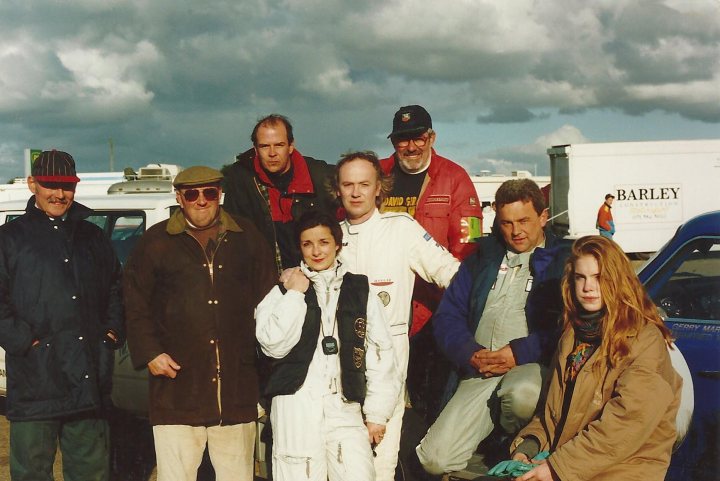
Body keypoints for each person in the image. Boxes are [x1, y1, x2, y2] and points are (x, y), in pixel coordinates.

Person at [123, 166, 276, 481]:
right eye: (192, 193)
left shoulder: (246, 237)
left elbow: (269, 302)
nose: (202, 200)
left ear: (219, 194)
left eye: (209, 192)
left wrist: (261, 362)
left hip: (236, 388)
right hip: (177, 390)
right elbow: (134, 304)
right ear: (179, 197)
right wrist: (150, 353)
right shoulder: (156, 242)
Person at [416, 179, 571, 477]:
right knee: (434, 459)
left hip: (534, 368)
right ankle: (485, 443)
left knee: (521, 393)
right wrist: (470, 353)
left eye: (524, 220)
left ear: (542, 216)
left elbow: (569, 325)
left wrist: (520, 352)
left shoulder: (563, 260)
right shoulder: (482, 258)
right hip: (481, 370)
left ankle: (519, 446)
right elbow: (448, 316)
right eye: (507, 223)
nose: (516, 231)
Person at [508, 235, 682, 481]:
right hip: (573, 462)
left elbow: (626, 426)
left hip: (624, 468)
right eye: (581, 277)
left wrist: (555, 468)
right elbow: (552, 413)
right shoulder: (571, 336)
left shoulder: (645, 340)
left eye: (599, 278)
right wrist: (530, 446)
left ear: (617, 280)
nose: (588, 287)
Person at [334, 151, 461, 481]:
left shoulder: (401, 229)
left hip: (387, 366)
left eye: (365, 183)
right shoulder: (329, 239)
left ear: (379, 188)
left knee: (380, 465)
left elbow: (453, 275)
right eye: (348, 184)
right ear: (337, 189)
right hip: (336, 369)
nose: (356, 192)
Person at [0, 149, 125, 481]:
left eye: (66, 186)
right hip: (35, 383)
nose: (59, 194)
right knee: (32, 473)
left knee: (90, 471)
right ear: (32, 184)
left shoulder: (93, 236)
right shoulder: (10, 239)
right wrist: (24, 341)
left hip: (88, 381)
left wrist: (111, 331)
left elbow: (116, 286)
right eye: (50, 185)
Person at [255, 210, 401, 481]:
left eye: (323, 242)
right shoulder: (283, 290)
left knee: (358, 473)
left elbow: (381, 355)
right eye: (307, 244)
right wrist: (295, 294)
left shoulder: (359, 290)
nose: (316, 251)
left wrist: (377, 413)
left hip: (344, 404)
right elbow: (272, 345)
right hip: (295, 405)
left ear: (337, 244)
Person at [380, 105, 482, 423]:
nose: (411, 147)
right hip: (382, 306)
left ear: (431, 137)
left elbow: (470, 241)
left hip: (434, 309)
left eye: (418, 138)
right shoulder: (375, 175)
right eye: (402, 140)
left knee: (428, 399)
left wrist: (454, 298)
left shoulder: (455, 179)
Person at [223, 114, 337, 274]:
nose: (272, 153)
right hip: (265, 281)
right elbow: (231, 235)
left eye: (279, 145)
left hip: (317, 277)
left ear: (291, 146)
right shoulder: (241, 178)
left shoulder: (320, 175)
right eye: (264, 146)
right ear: (255, 149)